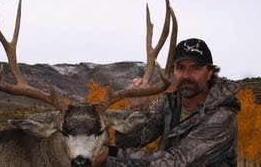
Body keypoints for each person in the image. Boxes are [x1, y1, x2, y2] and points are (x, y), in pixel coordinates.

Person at [95, 38, 241, 166]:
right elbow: (128, 142)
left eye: (195, 68)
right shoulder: (168, 103)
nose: (186, 75)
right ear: (173, 72)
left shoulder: (222, 116)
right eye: (180, 68)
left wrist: (110, 153)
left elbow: (176, 162)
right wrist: (135, 108)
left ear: (209, 73)